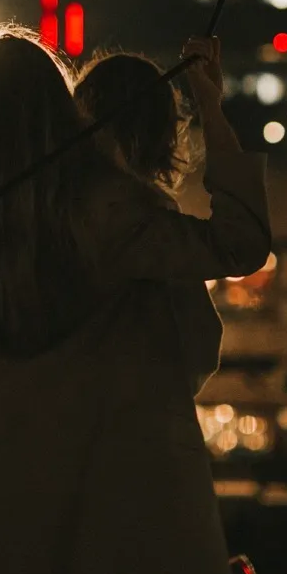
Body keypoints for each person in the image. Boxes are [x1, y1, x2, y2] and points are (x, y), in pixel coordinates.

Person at [0, 25, 271, 574]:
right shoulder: (113, 210)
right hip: (69, 498)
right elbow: (240, 243)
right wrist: (209, 103)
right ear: (60, 113)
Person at [73, 48, 226, 398]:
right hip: (138, 422)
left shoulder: (52, 207)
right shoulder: (145, 218)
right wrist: (211, 103)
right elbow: (200, 342)